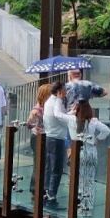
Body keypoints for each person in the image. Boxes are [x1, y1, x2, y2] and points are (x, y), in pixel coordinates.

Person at [65, 100, 110, 214]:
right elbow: (107, 130)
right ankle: (88, 207)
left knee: (78, 179)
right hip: (90, 150)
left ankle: (77, 205)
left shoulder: (71, 119)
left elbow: (63, 115)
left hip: (77, 151)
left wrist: (72, 111)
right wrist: (97, 138)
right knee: (89, 180)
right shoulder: (93, 121)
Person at [41, 78, 71, 207]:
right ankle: (51, 196)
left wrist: (69, 112)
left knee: (49, 166)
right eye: (65, 89)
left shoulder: (49, 101)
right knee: (57, 168)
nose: (66, 92)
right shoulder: (57, 101)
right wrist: (72, 117)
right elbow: (58, 115)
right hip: (57, 138)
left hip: (50, 136)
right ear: (59, 91)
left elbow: (57, 115)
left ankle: (47, 191)